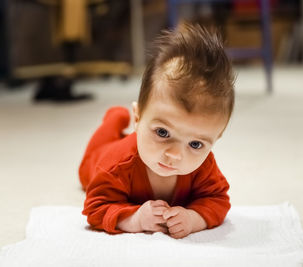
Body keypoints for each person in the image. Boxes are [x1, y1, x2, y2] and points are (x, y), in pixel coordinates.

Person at [79, 23, 235, 239]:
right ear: (138, 116)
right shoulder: (114, 166)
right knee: (93, 157)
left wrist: (194, 218)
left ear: (215, 139)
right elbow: (95, 209)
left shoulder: (204, 166)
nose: (174, 155)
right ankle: (115, 120)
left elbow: (218, 200)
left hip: (135, 140)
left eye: (196, 144)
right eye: (162, 132)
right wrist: (134, 219)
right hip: (103, 155)